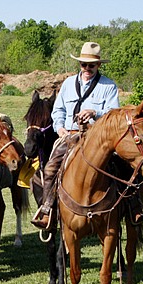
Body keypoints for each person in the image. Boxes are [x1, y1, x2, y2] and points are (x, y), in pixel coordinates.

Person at [31, 41, 127, 229]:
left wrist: (94, 113)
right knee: (50, 169)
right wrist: (60, 128)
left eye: (91, 65)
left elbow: (114, 114)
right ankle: (47, 209)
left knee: (123, 167)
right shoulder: (67, 84)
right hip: (70, 135)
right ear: (80, 65)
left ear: (98, 65)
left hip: (98, 138)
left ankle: (132, 208)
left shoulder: (108, 86)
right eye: (84, 64)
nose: (87, 68)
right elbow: (57, 110)